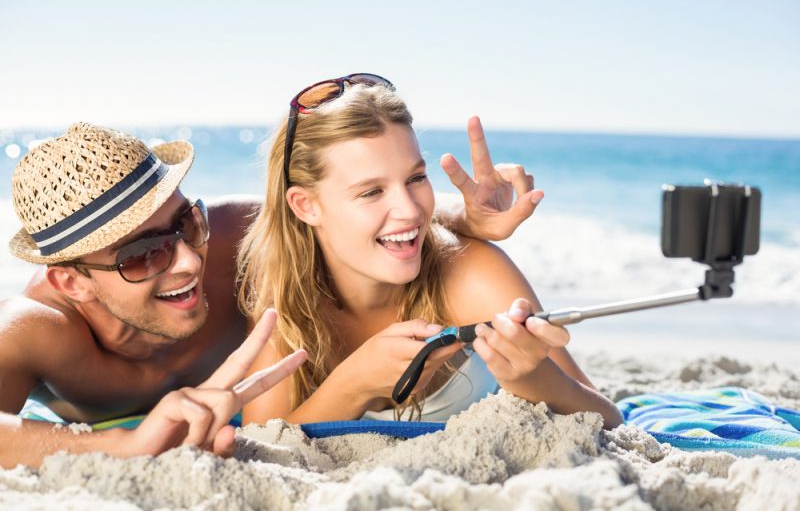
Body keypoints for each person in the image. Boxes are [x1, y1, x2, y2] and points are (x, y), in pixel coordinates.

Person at [0, 118, 540, 468]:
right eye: (143, 255)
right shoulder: (36, 332)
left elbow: (340, 218)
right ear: (72, 281)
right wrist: (119, 446)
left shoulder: (232, 234)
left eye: (187, 223)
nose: (190, 261)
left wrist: (461, 217)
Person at [238, 74, 623, 428]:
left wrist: (533, 377)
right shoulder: (287, 307)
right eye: (372, 191)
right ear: (306, 205)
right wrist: (353, 385)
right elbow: (262, 446)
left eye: (416, 178)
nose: (410, 209)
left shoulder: (468, 271)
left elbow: (608, 420)